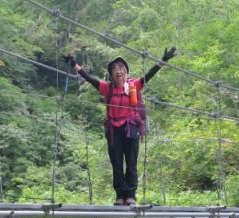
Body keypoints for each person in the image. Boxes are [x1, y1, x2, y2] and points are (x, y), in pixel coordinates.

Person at [64, 48, 176, 206]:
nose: (119, 71)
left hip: (131, 127)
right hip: (113, 130)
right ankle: (120, 195)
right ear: (111, 75)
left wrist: (164, 60)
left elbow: (149, 75)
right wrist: (74, 64)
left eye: (122, 68)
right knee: (116, 163)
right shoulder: (107, 88)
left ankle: (130, 195)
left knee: (131, 162)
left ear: (127, 73)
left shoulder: (134, 86)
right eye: (115, 69)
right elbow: (89, 78)